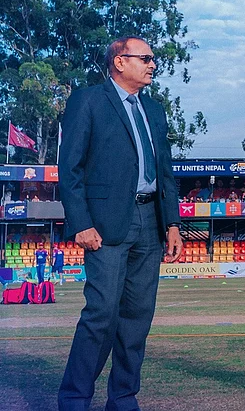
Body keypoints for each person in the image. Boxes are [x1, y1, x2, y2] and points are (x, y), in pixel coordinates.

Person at [57, 35, 183, 411]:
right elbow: (70, 168)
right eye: (145, 58)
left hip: (150, 222)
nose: (153, 64)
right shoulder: (89, 100)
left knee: (136, 321)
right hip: (105, 225)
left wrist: (172, 224)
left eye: (152, 58)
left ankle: (124, 399)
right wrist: (80, 222)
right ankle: (75, 400)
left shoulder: (155, 111)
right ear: (119, 62)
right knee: (101, 316)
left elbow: (166, 172)